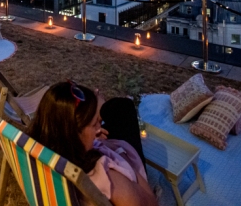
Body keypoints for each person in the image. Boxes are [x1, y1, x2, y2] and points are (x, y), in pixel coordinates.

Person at [28, 82, 156, 206]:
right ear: (73, 134)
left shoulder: (37, 152)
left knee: (116, 108)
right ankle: (100, 107)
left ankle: (95, 111)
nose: (98, 129)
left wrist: (93, 139)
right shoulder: (106, 178)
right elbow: (150, 202)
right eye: (95, 124)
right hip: (123, 156)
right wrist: (124, 158)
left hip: (96, 145)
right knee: (123, 107)